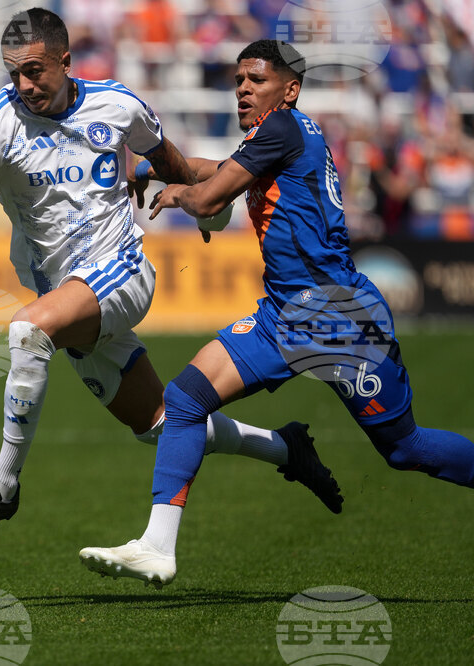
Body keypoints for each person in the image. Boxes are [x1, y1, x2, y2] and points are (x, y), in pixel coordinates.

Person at [0, 11, 342, 538]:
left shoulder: (118, 105)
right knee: (157, 425)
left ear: (65, 62)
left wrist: (211, 210)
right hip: (65, 293)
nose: (24, 84)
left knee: (27, 330)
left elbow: (174, 165)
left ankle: (3, 487)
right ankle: (285, 448)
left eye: (35, 70)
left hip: (122, 271)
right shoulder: (0, 117)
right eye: (13, 72)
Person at [79, 39, 474, 587]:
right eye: (239, 79)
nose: (242, 88)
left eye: (256, 80)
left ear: (289, 90)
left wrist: (179, 196)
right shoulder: (278, 137)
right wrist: (155, 171)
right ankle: (157, 545)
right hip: (286, 316)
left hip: (340, 320)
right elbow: (214, 170)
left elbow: (211, 198)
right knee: (187, 398)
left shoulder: (282, 129)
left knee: (404, 449)